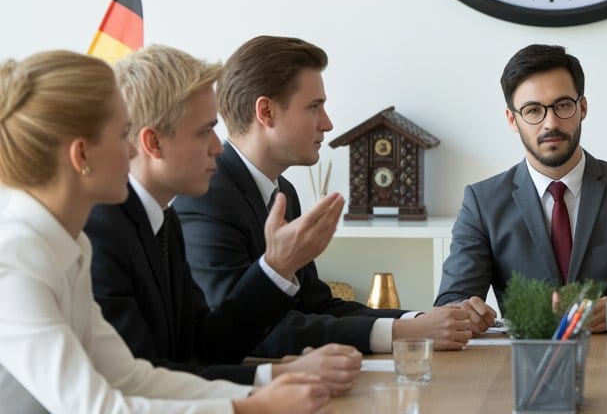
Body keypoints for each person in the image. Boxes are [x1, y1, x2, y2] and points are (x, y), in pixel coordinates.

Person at [0, 51, 331, 414]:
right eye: (122, 135)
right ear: (81, 155)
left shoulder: (65, 244)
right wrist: (251, 411)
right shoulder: (9, 262)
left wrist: (258, 393)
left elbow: (131, 377)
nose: (134, 149)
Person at [59, 46, 362, 414]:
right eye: (205, 132)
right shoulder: (101, 229)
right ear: (153, 142)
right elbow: (142, 379)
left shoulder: (164, 221)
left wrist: (275, 270)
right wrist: (268, 383)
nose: (219, 148)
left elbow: (204, 345)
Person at [176, 36, 490, 355]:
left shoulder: (284, 192)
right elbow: (246, 331)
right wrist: (402, 332)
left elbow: (316, 304)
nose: (328, 124)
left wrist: (422, 320)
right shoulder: (206, 198)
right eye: (314, 107)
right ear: (266, 111)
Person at [434, 44, 607, 329]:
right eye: (532, 110)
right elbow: (449, 305)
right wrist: (467, 313)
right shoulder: (482, 202)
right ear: (512, 120)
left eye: (563, 106)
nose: (550, 122)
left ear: (583, 108)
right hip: (526, 363)